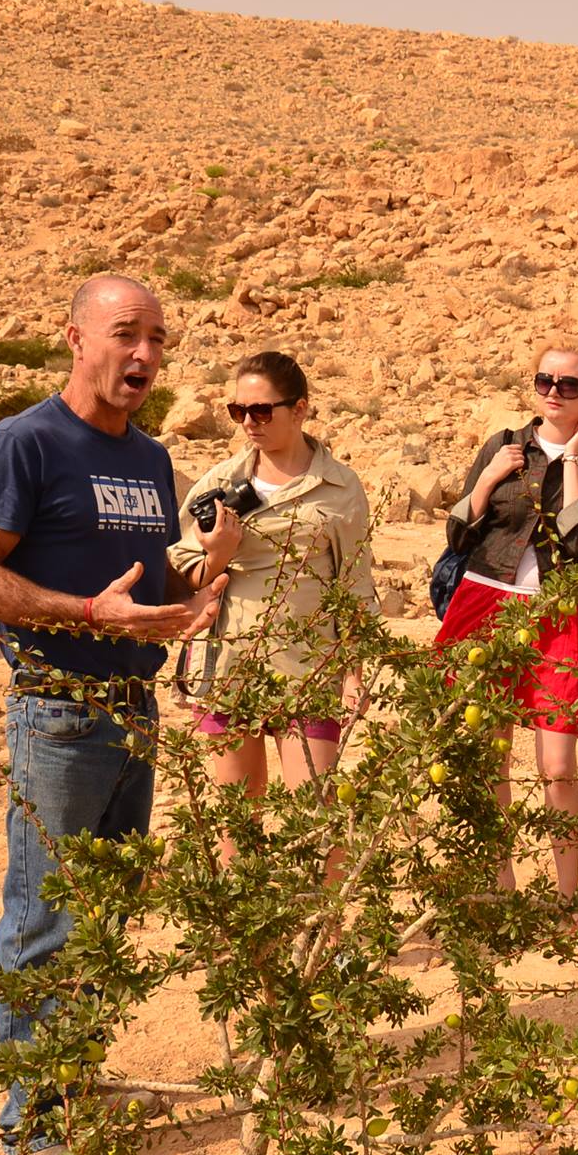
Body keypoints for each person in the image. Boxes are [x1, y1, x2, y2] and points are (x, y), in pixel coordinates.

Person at [0, 275, 225, 1155]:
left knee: (103, 920)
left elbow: (141, 595)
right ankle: (35, 1132)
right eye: (123, 334)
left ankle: (74, 1079)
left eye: (156, 339)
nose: (143, 354)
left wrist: (195, 596)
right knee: (46, 920)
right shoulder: (22, 442)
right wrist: (90, 615)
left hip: (132, 716)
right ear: (74, 338)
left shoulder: (150, 460)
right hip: (57, 712)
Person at [436, 331, 578, 898]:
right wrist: (492, 475)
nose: (553, 392)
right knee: (490, 753)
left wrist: (571, 461)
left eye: (568, 384)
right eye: (545, 380)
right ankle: (501, 885)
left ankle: (567, 896)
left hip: (556, 611)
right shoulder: (503, 443)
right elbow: (457, 530)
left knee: (558, 764)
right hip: (485, 603)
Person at [166, 350, 378, 823]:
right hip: (230, 669)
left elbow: (356, 585)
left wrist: (354, 675)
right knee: (236, 822)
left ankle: (316, 903)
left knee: (316, 825)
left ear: (299, 408)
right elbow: (182, 573)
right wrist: (217, 553)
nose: (249, 423)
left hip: (312, 671)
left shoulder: (341, 487)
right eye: (238, 411)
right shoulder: (220, 482)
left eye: (262, 410)